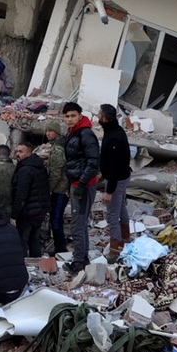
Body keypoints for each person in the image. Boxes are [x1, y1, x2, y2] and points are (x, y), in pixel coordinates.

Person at [63, 101, 101, 272]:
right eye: (67, 116)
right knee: (80, 222)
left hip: (83, 185)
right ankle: (81, 258)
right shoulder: (74, 132)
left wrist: (81, 185)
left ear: (79, 116)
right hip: (76, 182)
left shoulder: (86, 134)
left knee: (78, 223)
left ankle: (79, 262)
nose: (70, 119)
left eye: (73, 116)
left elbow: (93, 162)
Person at [97, 103, 132, 261]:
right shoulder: (114, 131)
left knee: (112, 215)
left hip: (117, 180)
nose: (98, 117)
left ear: (104, 118)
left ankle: (115, 250)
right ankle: (125, 238)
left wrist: (108, 191)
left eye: (99, 115)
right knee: (121, 207)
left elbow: (114, 165)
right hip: (122, 176)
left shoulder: (113, 136)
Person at [11, 141, 50, 257]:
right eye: (17, 151)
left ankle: (23, 266)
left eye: (21, 151)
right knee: (34, 239)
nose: (18, 154)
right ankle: (35, 265)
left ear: (28, 154)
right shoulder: (38, 166)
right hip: (39, 211)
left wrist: (14, 215)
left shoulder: (25, 169)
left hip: (28, 212)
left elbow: (21, 194)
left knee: (22, 240)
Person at [44, 120, 70, 255]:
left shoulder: (58, 150)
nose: (48, 133)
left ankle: (61, 249)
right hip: (59, 188)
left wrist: (49, 188)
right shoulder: (57, 146)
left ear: (57, 133)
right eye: (47, 131)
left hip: (60, 190)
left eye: (51, 131)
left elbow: (56, 173)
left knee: (56, 220)